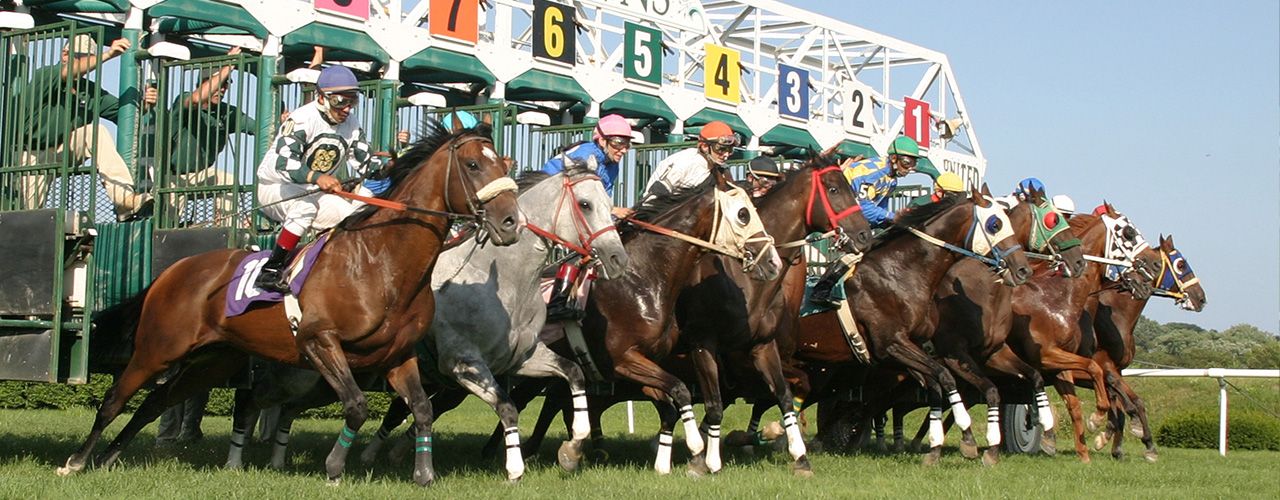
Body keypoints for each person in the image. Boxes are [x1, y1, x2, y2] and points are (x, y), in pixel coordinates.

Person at [254, 65, 379, 294]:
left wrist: (395, 166)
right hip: (274, 187)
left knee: (354, 214)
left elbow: (365, 162)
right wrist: (317, 177)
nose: (347, 108)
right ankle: (270, 270)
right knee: (305, 207)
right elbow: (285, 162)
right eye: (341, 101)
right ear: (322, 97)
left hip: (312, 191)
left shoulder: (351, 124)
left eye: (353, 101)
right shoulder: (302, 118)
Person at [17, 34, 154, 222]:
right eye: (81, 57)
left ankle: (124, 200)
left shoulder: (89, 89)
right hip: (32, 155)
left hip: (64, 149)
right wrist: (107, 55)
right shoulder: (47, 73)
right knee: (28, 215)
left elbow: (124, 114)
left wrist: (145, 104)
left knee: (96, 132)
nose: (88, 62)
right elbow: (68, 72)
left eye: (89, 56)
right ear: (65, 54)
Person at [808, 135, 939, 306]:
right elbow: (863, 208)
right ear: (893, 158)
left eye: (913, 163)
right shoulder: (873, 173)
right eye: (907, 162)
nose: (910, 168)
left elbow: (880, 209)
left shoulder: (892, 180)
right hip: (836, 214)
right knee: (861, 246)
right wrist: (891, 216)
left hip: (853, 218)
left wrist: (891, 221)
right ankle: (822, 289)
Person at [541, 114, 637, 321]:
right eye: (618, 143)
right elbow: (585, 198)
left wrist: (614, 214)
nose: (624, 149)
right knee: (583, 245)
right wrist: (613, 211)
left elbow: (601, 201)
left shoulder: (612, 164)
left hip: (571, 203)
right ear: (601, 140)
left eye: (627, 144)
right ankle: (557, 303)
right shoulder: (586, 155)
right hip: (548, 200)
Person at [164, 47, 256, 222]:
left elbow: (261, 127)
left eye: (226, 84)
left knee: (227, 180)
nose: (222, 89)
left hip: (200, 175)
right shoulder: (184, 100)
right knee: (168, 226)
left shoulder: (227, 112)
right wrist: (228, 65)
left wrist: (285, 121)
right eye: (218, 83)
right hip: (170, 176)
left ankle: (226, 229)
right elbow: (197, 99)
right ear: (204, 82)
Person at [637, 120, 738, 205]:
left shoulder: (722, 170)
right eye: (721, 149)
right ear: (704, 146)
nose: (726, 154)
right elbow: (653, 198)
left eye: (730, 150)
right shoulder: (685, 162)